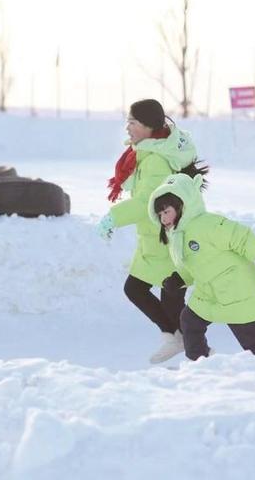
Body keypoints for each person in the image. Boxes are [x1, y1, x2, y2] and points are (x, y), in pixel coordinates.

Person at [97, 99, 206, 364]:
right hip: (155, 238)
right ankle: (177, 339)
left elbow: (147, 201)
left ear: (148, 126)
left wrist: (113, 218)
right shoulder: (149, 151)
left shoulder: (156, 159)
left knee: (161, 295)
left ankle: (199, 353)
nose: (127, 127)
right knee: (146, 291)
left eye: (132, 122)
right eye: (128, 121)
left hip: (166, 239)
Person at [148, 173, 255, 361]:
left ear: (182, 204)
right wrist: (179, 279)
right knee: (189, 322)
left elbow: (240, 237)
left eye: (166, 211)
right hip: (209, 291)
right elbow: (192, 264)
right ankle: (200, 364)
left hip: (236, 289)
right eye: (159, 214)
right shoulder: (178, 235)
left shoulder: (207, 224)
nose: (163, 218)